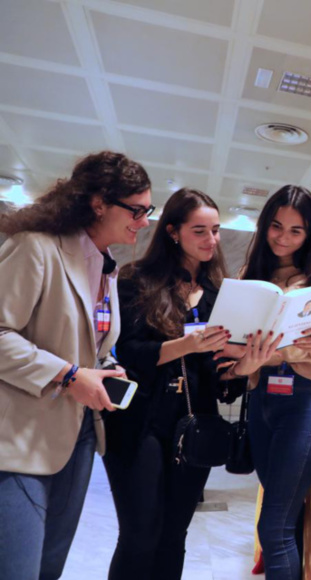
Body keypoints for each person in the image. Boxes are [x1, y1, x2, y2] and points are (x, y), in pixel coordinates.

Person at [103, 188, 279, 580]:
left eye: (215, 230)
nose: (211, 240)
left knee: (173, 535)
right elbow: (128, 352)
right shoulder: (136, 281)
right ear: (172, 232)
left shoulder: (222, 295)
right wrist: (186, 344)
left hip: (195, 424)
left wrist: (243, 368)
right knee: (139, 534)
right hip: (139, 421)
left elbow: (221, 383)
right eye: (199, 230)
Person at [0, 151, 151, 579]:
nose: (143, 221)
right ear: (99, 203)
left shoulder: (107, 267)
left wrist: (105, 366)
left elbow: (87, 342)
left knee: (50, 567)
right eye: (136, 210)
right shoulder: (36, 248)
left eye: (148, 210)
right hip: (19, 440)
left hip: (80, 436)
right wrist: (68, 375)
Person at [226, 185, 311, 580]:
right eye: (276, 226)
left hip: (307, 401)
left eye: (295, 231)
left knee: (274, 525)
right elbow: (230, 336)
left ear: (309, 233)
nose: (283, 237)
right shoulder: (249, 276)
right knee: (288, 517)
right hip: (261, 398)